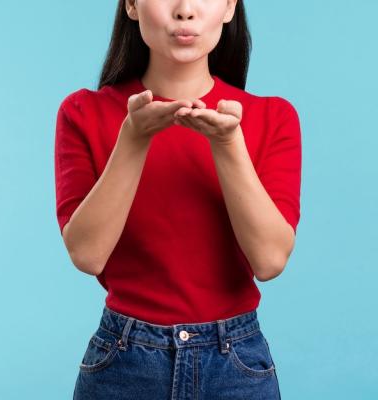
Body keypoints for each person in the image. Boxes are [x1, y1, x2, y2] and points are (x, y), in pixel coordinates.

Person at [54, 0, 301, 398]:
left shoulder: (273, 117)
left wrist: (227, 142)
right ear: (132, 5)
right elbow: (87, 254)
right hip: (123, 360)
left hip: (235, 363)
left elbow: (270, 260)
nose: (185, 10)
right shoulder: (84, 112)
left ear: (229, 7)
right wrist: (133, 138)